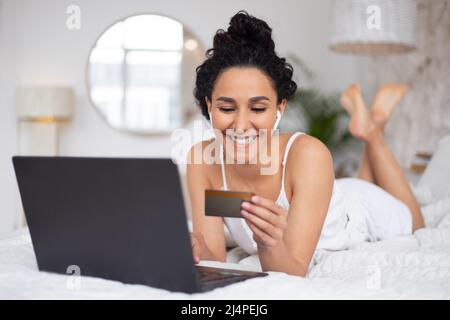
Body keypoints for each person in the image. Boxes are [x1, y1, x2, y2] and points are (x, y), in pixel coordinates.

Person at [187, 11, 425, 276]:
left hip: (359, 212)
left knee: (417, 222)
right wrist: (194, 249)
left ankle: (373, 132)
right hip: (323, 193)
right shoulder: (202, 162)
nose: (241, 125)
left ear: (279, 108)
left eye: (257, 108)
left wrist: (269, 243)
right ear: (210, 106)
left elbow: (293, 272)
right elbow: (214, 259)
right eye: (227, 108)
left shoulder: (308, 155)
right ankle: (371, 125)